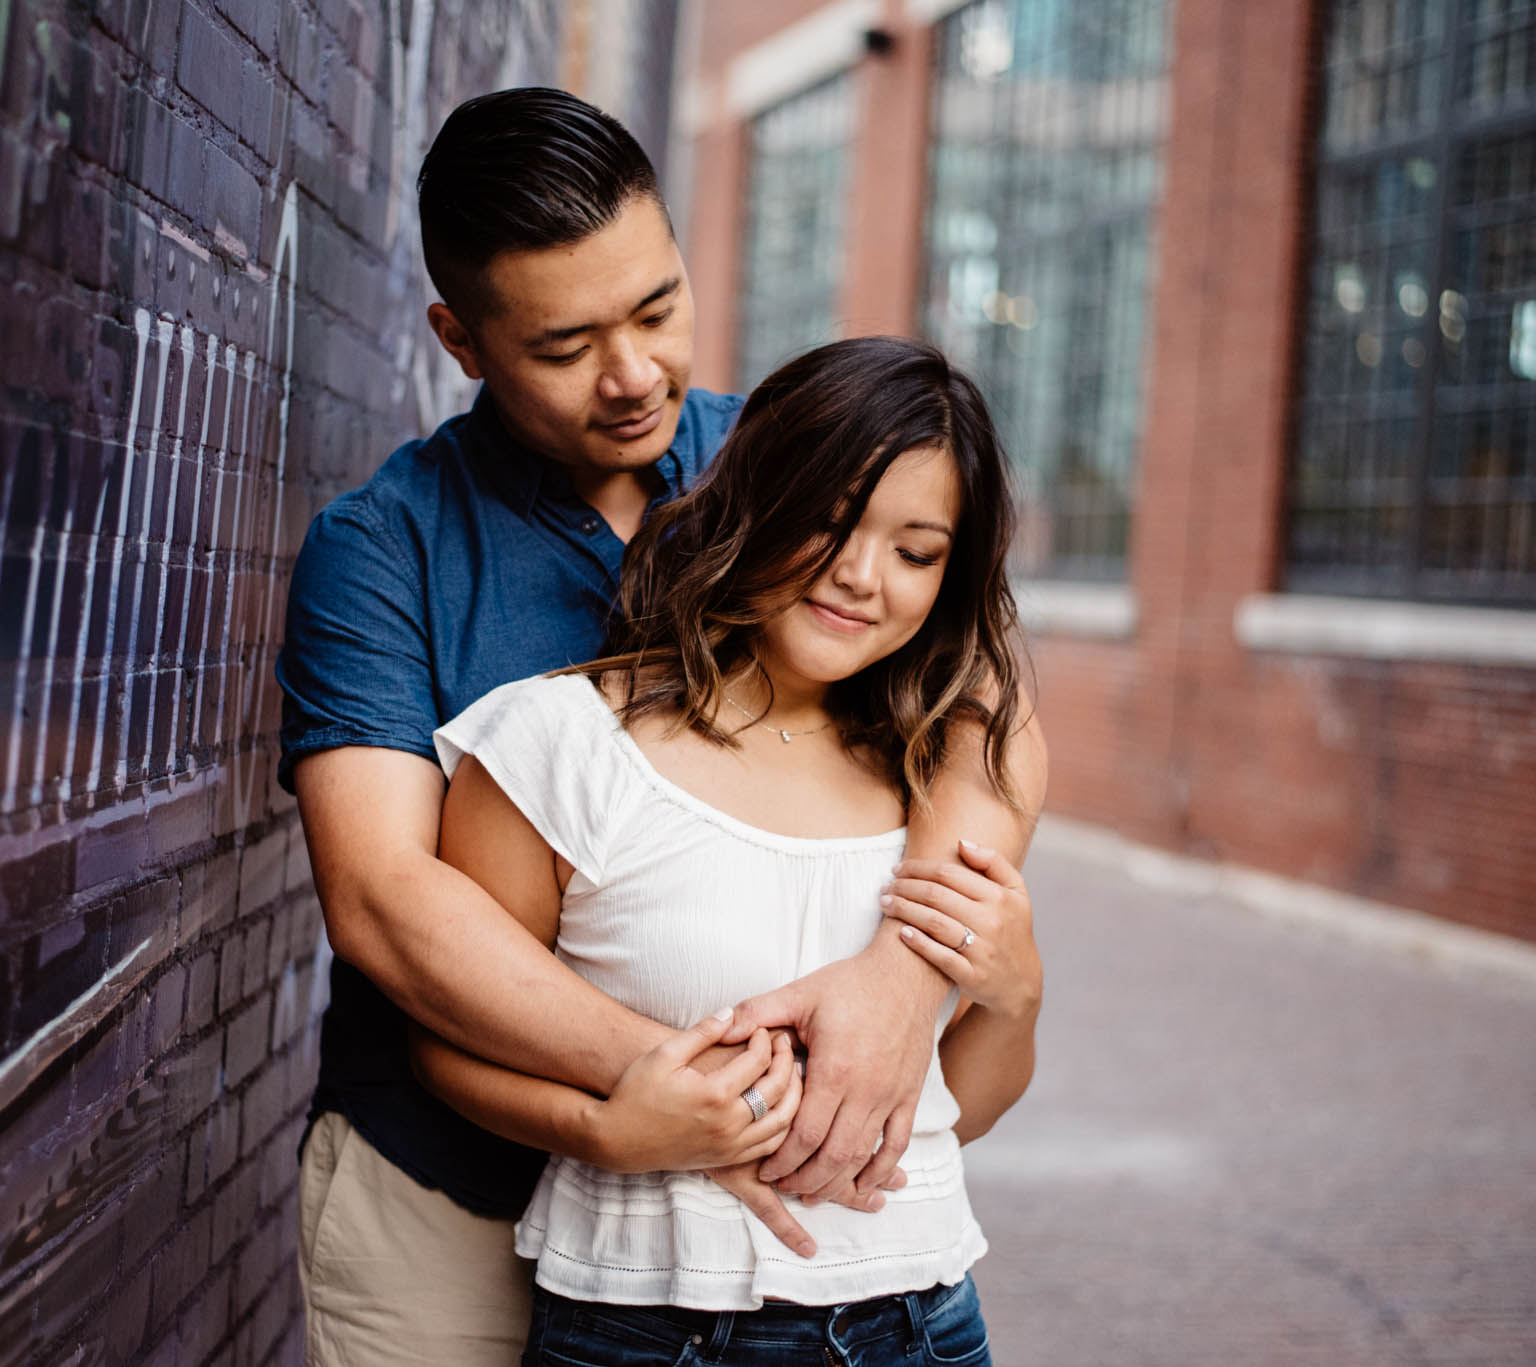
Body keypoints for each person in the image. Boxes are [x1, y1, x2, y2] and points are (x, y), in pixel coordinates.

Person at [278, 88, 1045, 1367]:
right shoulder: (382, 548)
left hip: (761, 1250)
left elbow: (984, 689)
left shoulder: (781, 459)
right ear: (461, 339)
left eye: (656, 307)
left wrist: (905, 973)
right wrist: (695, 1090)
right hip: (447, 1186)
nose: (633, 373)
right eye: (567, 344)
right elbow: (382, 898)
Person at [416, 337, 1036, 1365]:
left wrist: (1015, 994)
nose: (859, 575)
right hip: (645, 1327)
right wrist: (605, 1131)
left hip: (921, 1321)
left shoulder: (938, 771)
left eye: (915, 551)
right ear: (756, 495)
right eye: (831, 520)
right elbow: (446, 1044)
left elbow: (949, 1111)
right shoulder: (557, 744)